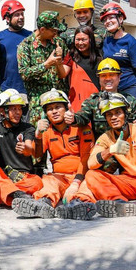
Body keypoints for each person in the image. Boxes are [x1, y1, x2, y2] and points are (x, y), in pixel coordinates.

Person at [11, 89, 97, 220]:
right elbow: (38, 154)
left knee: (89, 183)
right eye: (50, 109)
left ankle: (79, 204)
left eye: (58, 107)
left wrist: (76, 183)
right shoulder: (47, 131)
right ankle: (43, 204)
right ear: (46, 114)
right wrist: (38, 135)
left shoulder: (82, 128)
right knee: (48, 180)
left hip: (81, 176)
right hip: (59, 177)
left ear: (66, 108)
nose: (54, 111)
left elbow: (86, 158)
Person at [68, 58, 136, 141]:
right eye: (103, 75)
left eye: (111, 75)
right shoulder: (93, 101)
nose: (108, 79)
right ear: (99, 78)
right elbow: (82, 117)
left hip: (127, 146)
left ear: (119, 77)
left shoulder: (130, 100)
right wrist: (73, 119)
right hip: (103, 147)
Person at [0, 89, 43, 195]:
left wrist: (26, 149)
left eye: (20, 109)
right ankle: (18, 195)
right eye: (13, 109)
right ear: (2, 110)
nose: (18, 112)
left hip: (23, 177)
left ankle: (7, 194)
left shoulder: (28, 128)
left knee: (37, 183)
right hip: (3, 176)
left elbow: (29, 147)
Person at [17, 10, 68, 125]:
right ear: (43, 29)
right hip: (39, 104)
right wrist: (46, 64)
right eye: (53, 31)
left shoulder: (58, 43)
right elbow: (24, 74)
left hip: (59, 102)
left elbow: (63, 73)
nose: (56, 33)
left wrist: (59, 61)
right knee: (41, 137)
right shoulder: (25, 46)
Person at [99, 2, 136, 104]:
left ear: (120, 19)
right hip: (111, 89)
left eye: (111, 18)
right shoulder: (106, 41)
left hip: (129, 88)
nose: (108, 21)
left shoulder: (131, 42)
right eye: (105, 19)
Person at [0, 0, 32, 94]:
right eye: (17, 15)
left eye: (22, 14)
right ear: (7, 18)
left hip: (28, 90)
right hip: (7, 90)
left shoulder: (31, 36)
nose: (21, 17)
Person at [60, 24, 100, 110]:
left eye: (84, 40)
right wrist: (57, 62)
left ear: (90, 40)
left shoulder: (100, 56)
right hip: (76, 103)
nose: (80, 43)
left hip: (96, 101)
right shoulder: (71, 56)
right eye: (77, 40)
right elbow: (62, 74)